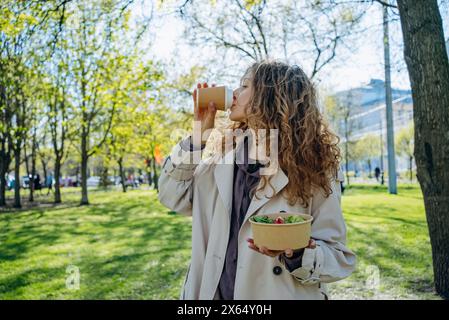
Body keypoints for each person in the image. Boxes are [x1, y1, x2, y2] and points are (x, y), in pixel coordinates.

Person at [158, 60, 356, 300]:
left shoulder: (315, 168)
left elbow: (336, 255)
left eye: (244, 86)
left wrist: (297, 253)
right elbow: (171, 195)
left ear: (270, 96)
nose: (234, 94)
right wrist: (199, 134)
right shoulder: (220, 158)